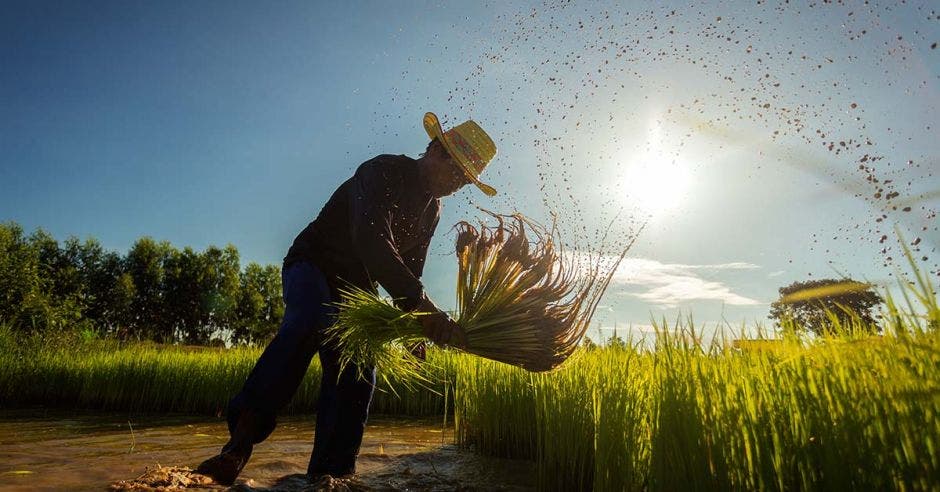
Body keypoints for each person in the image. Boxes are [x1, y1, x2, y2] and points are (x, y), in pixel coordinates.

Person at [195, 112, 498, 485]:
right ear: (436, 150)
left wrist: (412, 329)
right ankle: (237, 448)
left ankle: (331, 476)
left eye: (466, 182)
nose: (457, 186)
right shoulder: (382, 171)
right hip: (314, 264)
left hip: (357, 291)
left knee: (359, 371)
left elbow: (410, 270)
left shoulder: (432, 211)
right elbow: (372, 242)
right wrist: (424, 308)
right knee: (308, 322)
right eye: (456, 173)